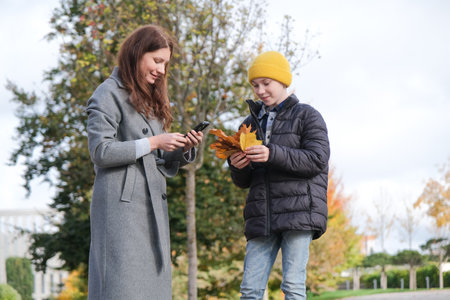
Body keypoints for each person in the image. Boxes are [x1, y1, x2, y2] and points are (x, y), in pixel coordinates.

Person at [86, 25, 203, 299]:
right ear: (138, 54)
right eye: (157, 60)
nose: (162, 70)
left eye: (166, 63)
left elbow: (159, 158)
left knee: (153, 289)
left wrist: (183, 148)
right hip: (120, 210)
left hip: (152, 207)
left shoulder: (152, 100)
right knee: (121, 287)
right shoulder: (107, 94)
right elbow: (101, 151)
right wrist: (153, 142)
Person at [228, 51, 330, 299]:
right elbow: (243, 182)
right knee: (250, 290)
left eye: (266, 83)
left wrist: (271, 154)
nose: (260, 90)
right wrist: (238, 166)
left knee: (293, 287)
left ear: (283, 81)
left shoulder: (308, 116)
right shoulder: (248, 124)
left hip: (298, 213)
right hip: (261, 216)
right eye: (255, 85)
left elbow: (317, 160)